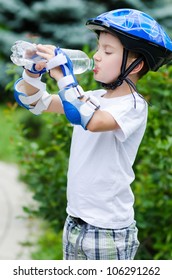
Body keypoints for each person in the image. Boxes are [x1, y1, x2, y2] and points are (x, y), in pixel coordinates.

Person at [12, 8, 172, 260]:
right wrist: (33, 71)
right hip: (75, 221)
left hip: (108, 229)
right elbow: (33, 102)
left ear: (136, 64)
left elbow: (91, 120)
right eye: (98, 48)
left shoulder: (133, 105)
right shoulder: (93, 98)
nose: (96, 56)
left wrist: (65, 76)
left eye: (108, 51)